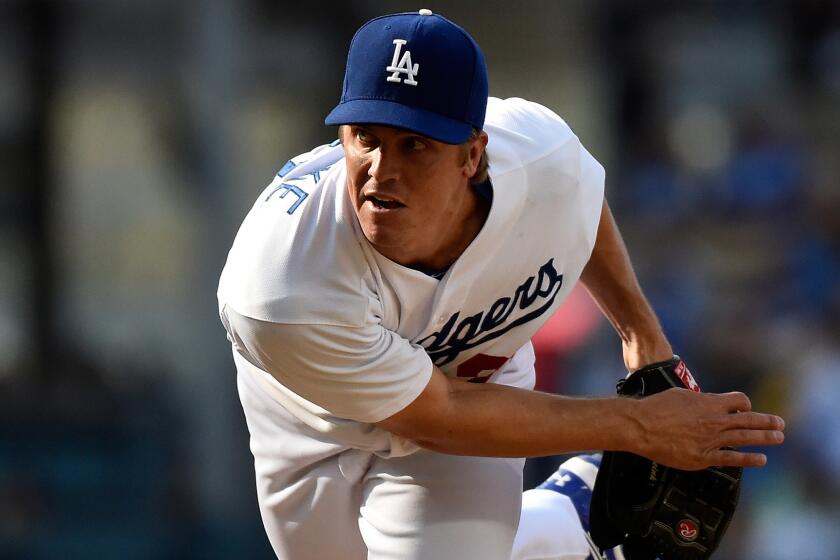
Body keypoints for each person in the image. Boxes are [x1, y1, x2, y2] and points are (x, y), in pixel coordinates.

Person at [217, 10, 785, 560]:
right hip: (310, 417)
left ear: (472, 154)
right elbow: (434, 416)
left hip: (473, 377)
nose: (382, 169)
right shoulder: (283, 285)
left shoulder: (538, 152)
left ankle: (567, 521)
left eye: (415, 144)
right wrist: (638, 427)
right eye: (366, 136)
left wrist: (643, 339)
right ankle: (571, 513)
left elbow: (577, 206)